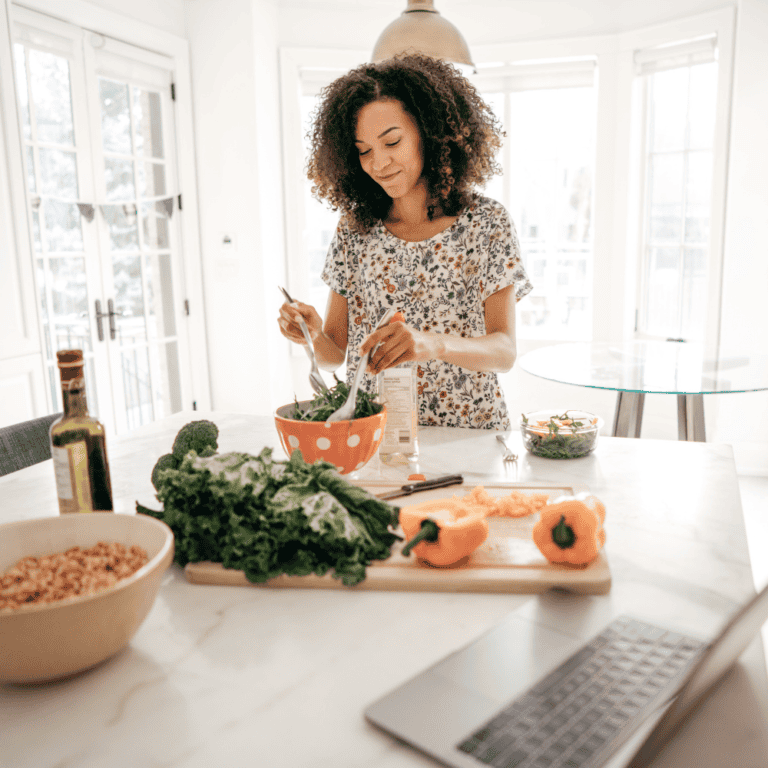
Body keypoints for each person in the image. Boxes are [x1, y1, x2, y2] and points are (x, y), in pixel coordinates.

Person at [277, 53, 532, 430]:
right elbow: (334, 354)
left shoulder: (486, 223)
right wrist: (312, 333)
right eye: (364, 150)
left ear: (429, 133)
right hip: (375, 435)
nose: (378, 163)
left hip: (468, 435)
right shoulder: (354, 231)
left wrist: (432, 343)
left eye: (391, 142)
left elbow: (504, 352)